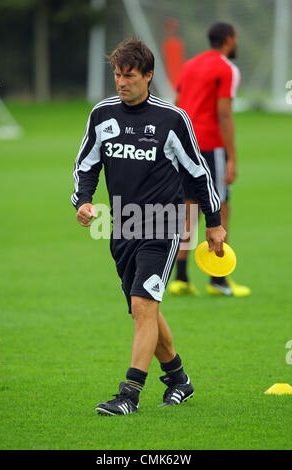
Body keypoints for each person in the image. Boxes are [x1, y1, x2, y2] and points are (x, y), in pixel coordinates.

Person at [71, 38, 226, 416]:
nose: (121, 82)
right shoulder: (102, 115)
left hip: (163, 224)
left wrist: (214, 223)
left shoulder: (171, 119)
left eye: (129, 76)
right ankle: (178, 379)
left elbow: (197, 173)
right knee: (144, 311)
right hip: (121, 226)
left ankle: (129, 394)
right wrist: (85, 200)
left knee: (143, 304)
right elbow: (87, 164)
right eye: (116, 75)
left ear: (148, 76)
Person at [169, 22, 251, 297]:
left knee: (189, 208)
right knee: (220, 207)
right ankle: (218, 279)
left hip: (184, 145)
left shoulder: (190, 65)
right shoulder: (226, 68)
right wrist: (232, 158)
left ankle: (180, 278)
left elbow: (178, 102)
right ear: (229, 40)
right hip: (210, 145)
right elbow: (224, 113)